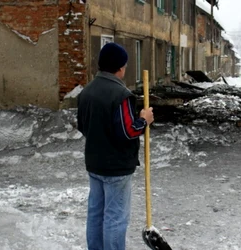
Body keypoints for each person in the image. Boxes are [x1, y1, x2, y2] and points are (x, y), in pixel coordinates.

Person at [77, 42, 155, 250]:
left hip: (94, 164)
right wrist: (144, 119)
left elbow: (82, 126)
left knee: (95, 215)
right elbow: (128, 131)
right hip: (116, 168)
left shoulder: (87, 92)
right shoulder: (121, 95)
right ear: (120, 67)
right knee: (115, 218)